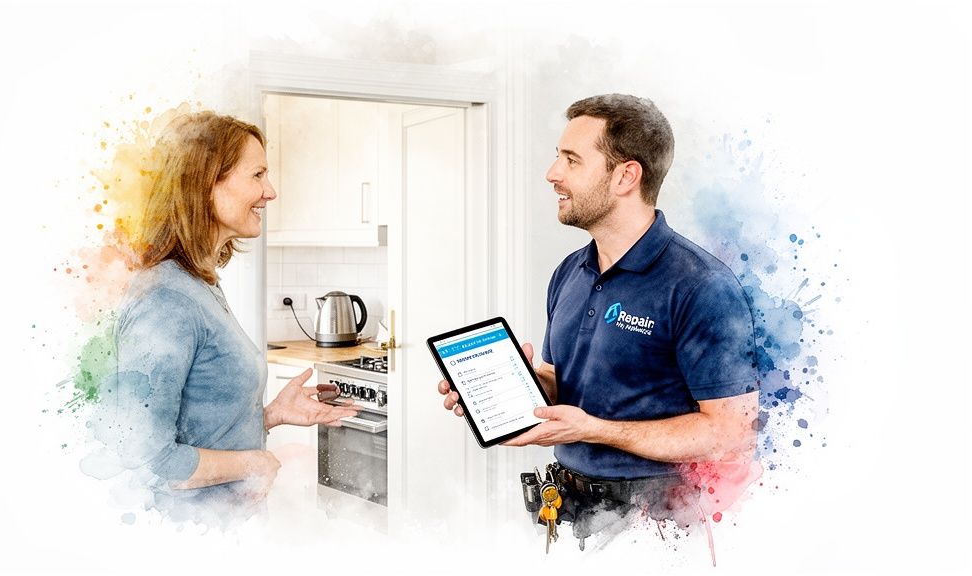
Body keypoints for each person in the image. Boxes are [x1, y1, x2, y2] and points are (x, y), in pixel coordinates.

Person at [438, 94, 759, 548]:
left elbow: (730, 431)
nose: (552, 174)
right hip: (565, 512)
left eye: (571, 160)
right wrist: (524, 385)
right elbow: (565, 380)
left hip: (655, 524)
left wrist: (594, 429)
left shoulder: (701, 285)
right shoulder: (570, 270)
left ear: (626, 175)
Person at [92, 111, 358, 524]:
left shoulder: (200, 286)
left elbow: (199, 424)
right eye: (257, 175)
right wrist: (255, 463)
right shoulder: (165, 300)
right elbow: (143, 460)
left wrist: (271, 415)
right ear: (205, 182)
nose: (270, 191)